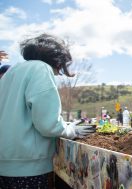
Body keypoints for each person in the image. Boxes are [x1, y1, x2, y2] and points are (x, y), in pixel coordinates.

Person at [0, 34, 95, 188]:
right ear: (57, 58)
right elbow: (48, 125)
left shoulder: (12, 71)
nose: (58, 73)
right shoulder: (40, 68)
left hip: (5, 165)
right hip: (28, 168)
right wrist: (71, 130)